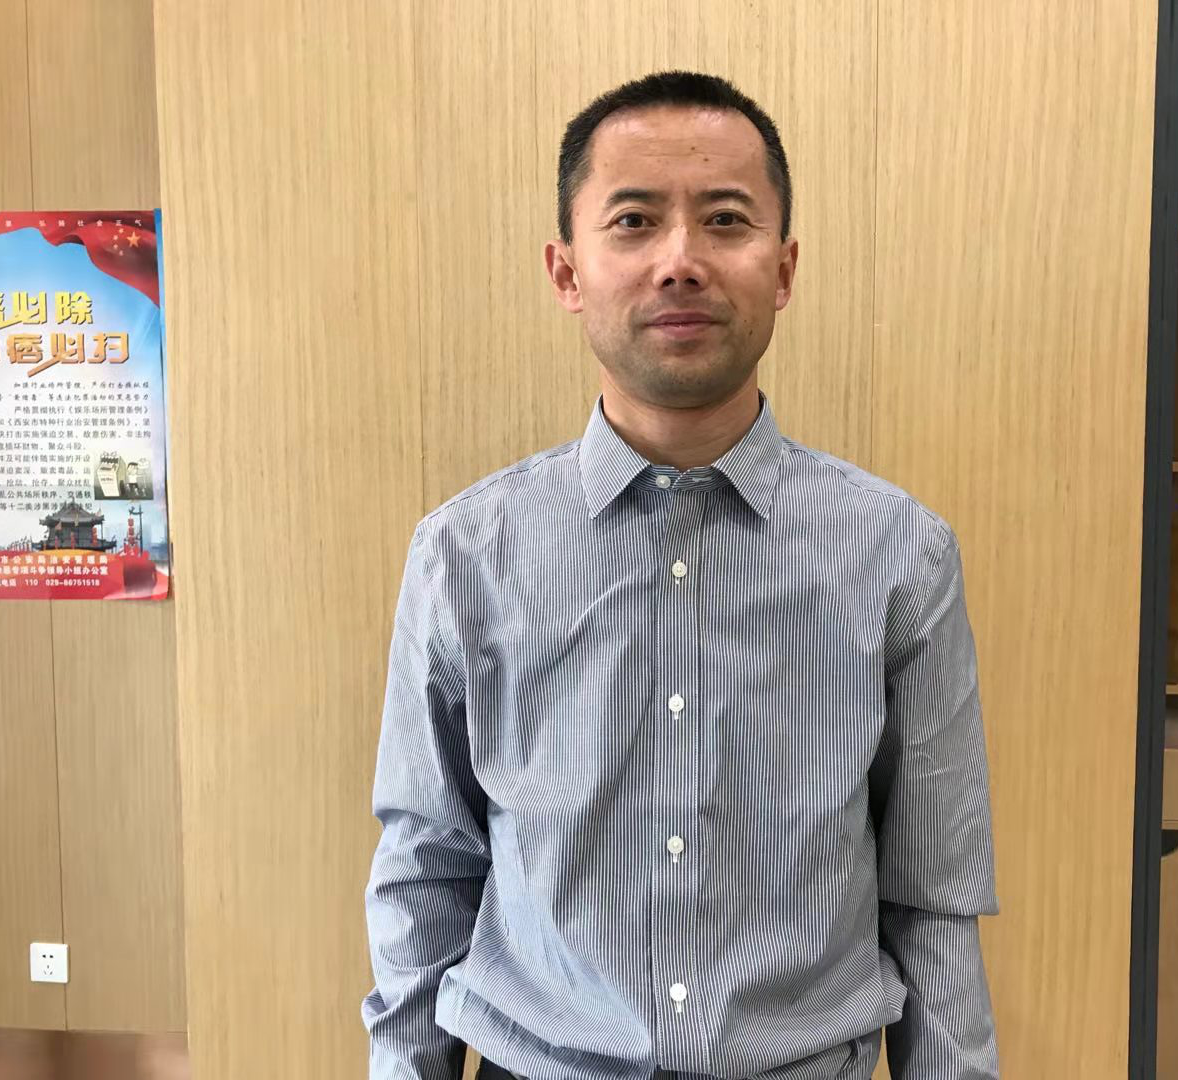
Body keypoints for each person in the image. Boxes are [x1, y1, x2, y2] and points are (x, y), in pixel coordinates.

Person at [362, 70, 998, 1080]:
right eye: (633, 221)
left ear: (783, 268)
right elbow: (425, 870)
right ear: (567, 271)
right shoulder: (465, 556)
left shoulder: (898, 556)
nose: (680, 262)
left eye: (726, 220)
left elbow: (932, 897)